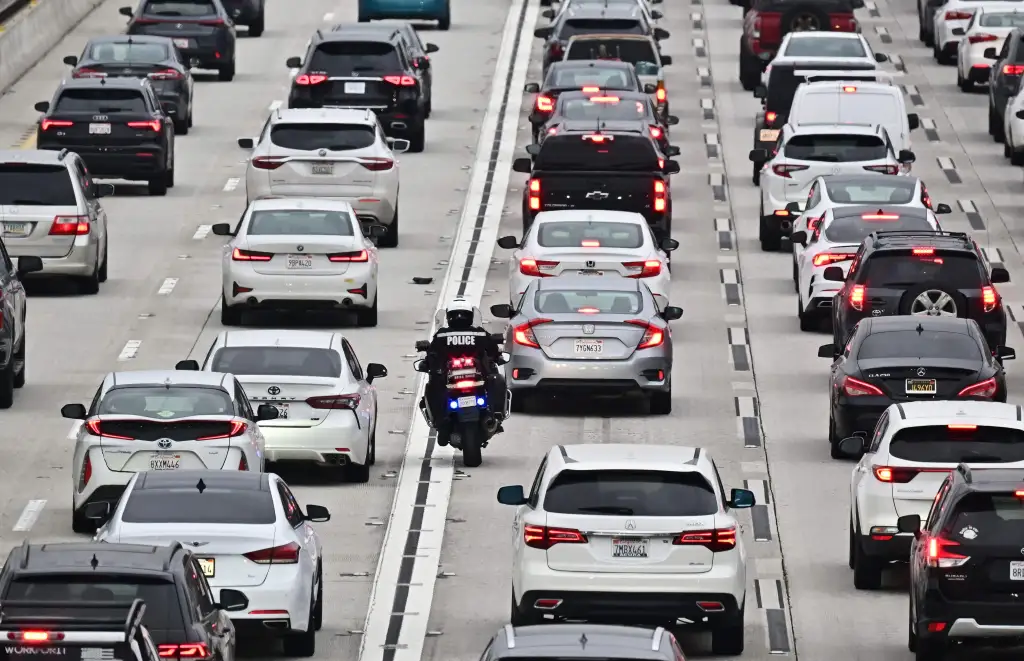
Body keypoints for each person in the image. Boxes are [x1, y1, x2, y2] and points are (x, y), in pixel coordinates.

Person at [419, 297, 507, 446]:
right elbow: (493, 350)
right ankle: (494, 415)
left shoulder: (441, 335)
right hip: (471, 383)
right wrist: (498, 357)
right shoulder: (479, 333)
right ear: (471, 315)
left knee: (433, 386)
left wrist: (426, 364)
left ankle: (441, 422)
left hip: (458, 384)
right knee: (496, 380)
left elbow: (432, 356)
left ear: (448, 316)